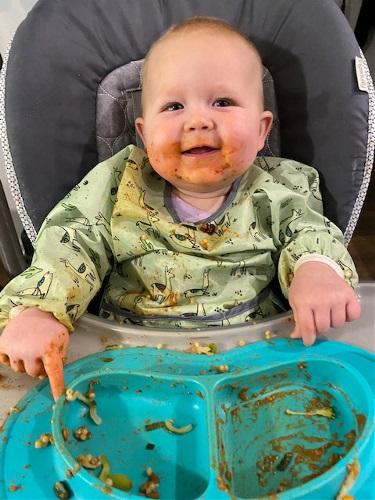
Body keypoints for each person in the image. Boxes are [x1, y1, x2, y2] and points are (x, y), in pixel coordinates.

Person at [0, 16, 361, 401]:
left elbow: (309, 232)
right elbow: (71, 243)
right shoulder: (117, 183)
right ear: (143, 133)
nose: (198, 120)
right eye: (173, 106)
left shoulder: (280, 188)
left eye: (222, 102)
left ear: (261, 130)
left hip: (256, 358)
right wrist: (40, 311)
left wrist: (316, 270)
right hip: (126, 359)